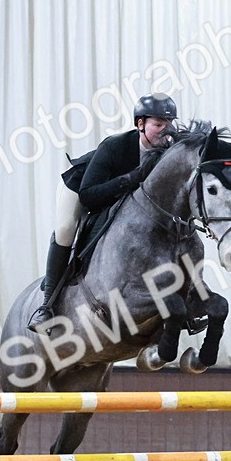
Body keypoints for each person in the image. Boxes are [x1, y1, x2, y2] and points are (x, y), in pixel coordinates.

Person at [28, 93, 178, 331]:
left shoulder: (168, 151)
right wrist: (130, 178)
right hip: (80, 186)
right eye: (158, 125)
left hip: (119, 197)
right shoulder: (114, 146)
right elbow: (89, 196)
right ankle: (46, 305)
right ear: (140, 124)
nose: (165, 130)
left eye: (168, 124)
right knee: (66, 229)